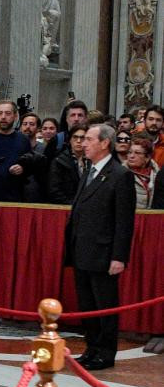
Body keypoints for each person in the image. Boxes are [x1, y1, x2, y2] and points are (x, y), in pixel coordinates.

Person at [63, 124, 136, 371]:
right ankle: (92, 347)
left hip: (104, 253)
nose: (83, 143)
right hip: (82, 251)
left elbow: (124, 221)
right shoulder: (89, 171)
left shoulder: (120, 174)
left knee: (105, 306)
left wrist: (119, 257)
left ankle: (105, 352)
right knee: (88, 305)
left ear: (105, 143)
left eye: (89, 139)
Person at [45, 125, 88, 205]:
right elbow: (54, 190)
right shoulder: (59, 161)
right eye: (75, 137)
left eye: (82, 138)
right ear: (70, 140)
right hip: (66, 207)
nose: (78, 141)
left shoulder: (92, 161)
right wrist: (72, 204)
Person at [126, 136, 157, 209]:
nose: (131, 156)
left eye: (137, 153)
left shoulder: (157, 174)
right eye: (129, 152)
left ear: (147, 157)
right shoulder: (121, 174)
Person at [143, 104, 164, 168]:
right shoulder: (133, 141)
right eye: (151, 119)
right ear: (144, 121)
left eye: (158, 120)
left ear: (163, 123)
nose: (154, 123)